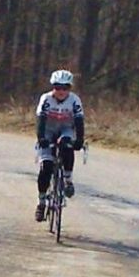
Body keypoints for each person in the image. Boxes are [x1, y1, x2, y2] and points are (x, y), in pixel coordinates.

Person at [34, 69, 86, 222]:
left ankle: (68, 179)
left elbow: (79, 121)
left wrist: (79, 140)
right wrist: (41, 138)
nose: (61, 91)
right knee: (46, 167)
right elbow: (41, 120)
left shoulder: (74, 100)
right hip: (48, 130)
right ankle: (41, 202)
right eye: (58, 87)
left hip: (66, 129)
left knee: (66, 146)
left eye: (65, 88)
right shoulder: (46, 99)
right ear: (53, 87)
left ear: (70, 88)